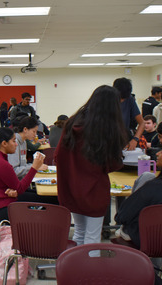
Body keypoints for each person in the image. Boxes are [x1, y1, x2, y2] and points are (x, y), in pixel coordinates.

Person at [56, 85, 128, 245]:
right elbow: (112, 164)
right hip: (94, 191)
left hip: (71, 189)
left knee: (80, 232)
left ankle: (75, 267)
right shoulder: (106, 130)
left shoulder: (72, 123)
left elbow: (58, 156)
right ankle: (89, 269)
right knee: (93, 237)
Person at [0, 127, 45, 222]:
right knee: (47, 201)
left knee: (41, 196)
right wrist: (34, 168)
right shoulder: (1, 163)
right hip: (1, 209)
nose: (16, 144)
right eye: (13, 141)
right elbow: (20, 188)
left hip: (0, 202)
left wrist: (11, 189)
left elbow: (10, 184)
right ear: (4, 143)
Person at [113, 77, 145, 151]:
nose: (122, 100)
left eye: (124, 98)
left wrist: (135, 139)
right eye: (120, 98)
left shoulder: (129, 99)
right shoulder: (107, 99)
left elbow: (142, 123)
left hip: (123, 140)